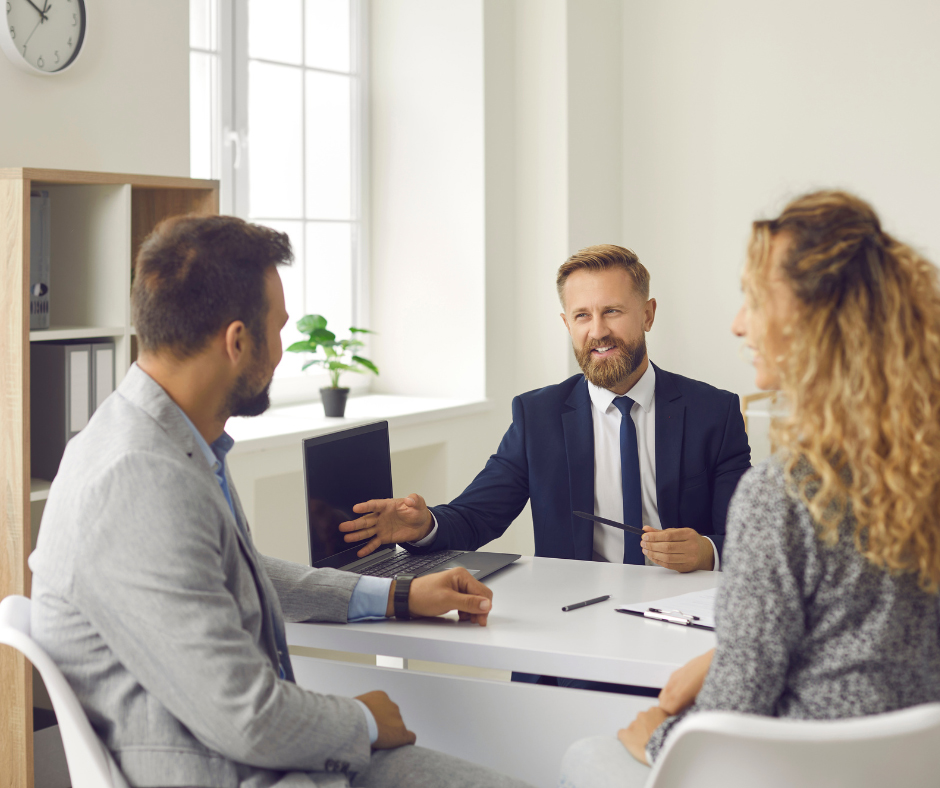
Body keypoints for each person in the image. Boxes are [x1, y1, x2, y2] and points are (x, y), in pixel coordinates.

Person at [28, 215, 532, 788]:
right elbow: (247, 718)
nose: (283, 349)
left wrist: (398, 595)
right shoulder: (139, 475)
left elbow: (234, 569)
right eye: (279, 329)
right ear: (238, 341)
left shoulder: (166, 440)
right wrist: (363, 719)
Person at [558, 190, 940, 786]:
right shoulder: (920, 463)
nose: (739, 322)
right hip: (908, 765)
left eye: (755, 300)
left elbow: (734, 707)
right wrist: (722, 656)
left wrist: (653, 731)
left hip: (790, 769)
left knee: (584, 755)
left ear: (818, 320)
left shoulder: (786, 492)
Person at [339, 245, 750, 692]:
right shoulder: (538, 416)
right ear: (566, 323)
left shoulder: (715, 412)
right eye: (582, 316)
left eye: (612, 311)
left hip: (683, 635)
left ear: (648, 314)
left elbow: (751, 541)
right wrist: (425, 525)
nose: (598, 332)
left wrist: (707, 550)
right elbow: (478, 515)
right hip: (571, 631)